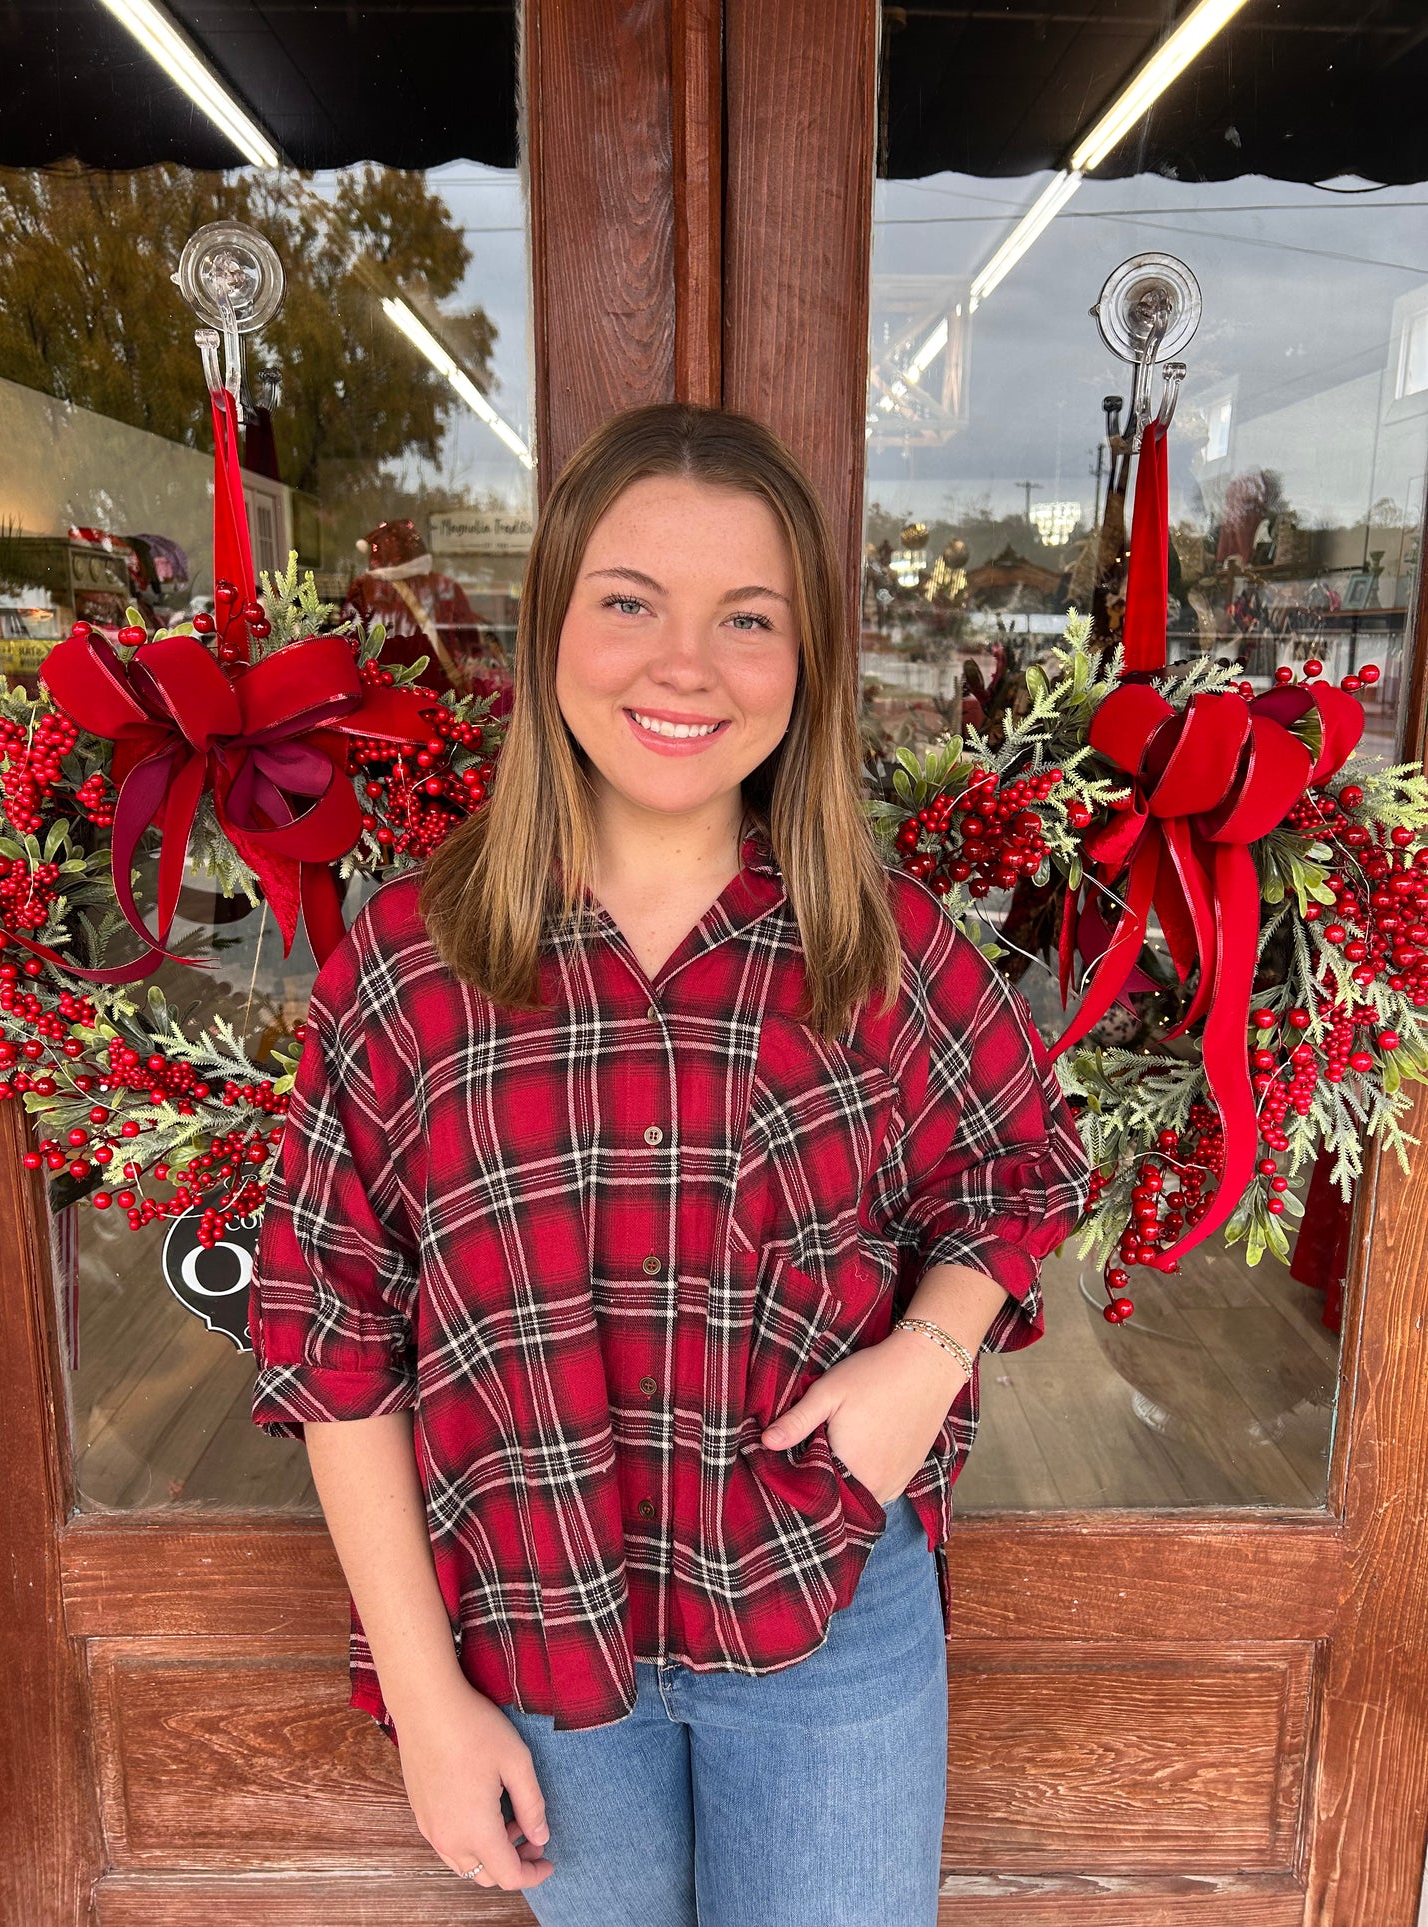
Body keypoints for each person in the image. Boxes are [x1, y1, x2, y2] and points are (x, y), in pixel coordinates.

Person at [248, 401, 1092, 1925]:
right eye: (629, 601)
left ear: (809, 661)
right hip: (534, 1638)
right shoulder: (411, 969)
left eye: (745, 617)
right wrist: (427, 1703)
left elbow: (1020, 1168)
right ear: (550, 621)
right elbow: (332, 1336)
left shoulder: (876, 947)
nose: (683, 664)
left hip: (827, 1614)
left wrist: (929, 1348)